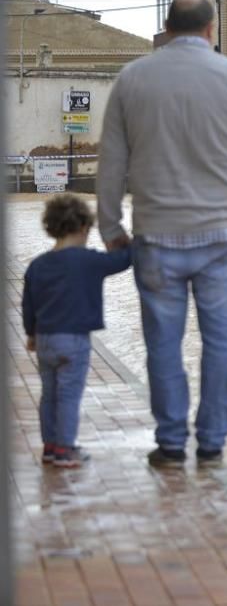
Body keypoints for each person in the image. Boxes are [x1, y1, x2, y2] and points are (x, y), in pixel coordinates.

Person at [97, 0, 227, 469]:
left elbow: (112, 163)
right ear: (211, 29)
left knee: (162, 345)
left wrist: (111, 227)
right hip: (223, 237)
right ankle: (213, 443)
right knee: (221, 344)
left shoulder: (132, 80)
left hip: (155, 238)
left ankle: (171, 444)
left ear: (166, 27)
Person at [22, 194, 132, 468]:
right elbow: (123, 260)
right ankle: (65, 449)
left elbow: (28, 303)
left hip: (45, 339)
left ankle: (49, 446)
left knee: (49, 395)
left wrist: (31, 334)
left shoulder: (37, 265)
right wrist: (132, 240)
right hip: (74, 340)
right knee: (69, 395)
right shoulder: (89, 260)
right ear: (84, 227)